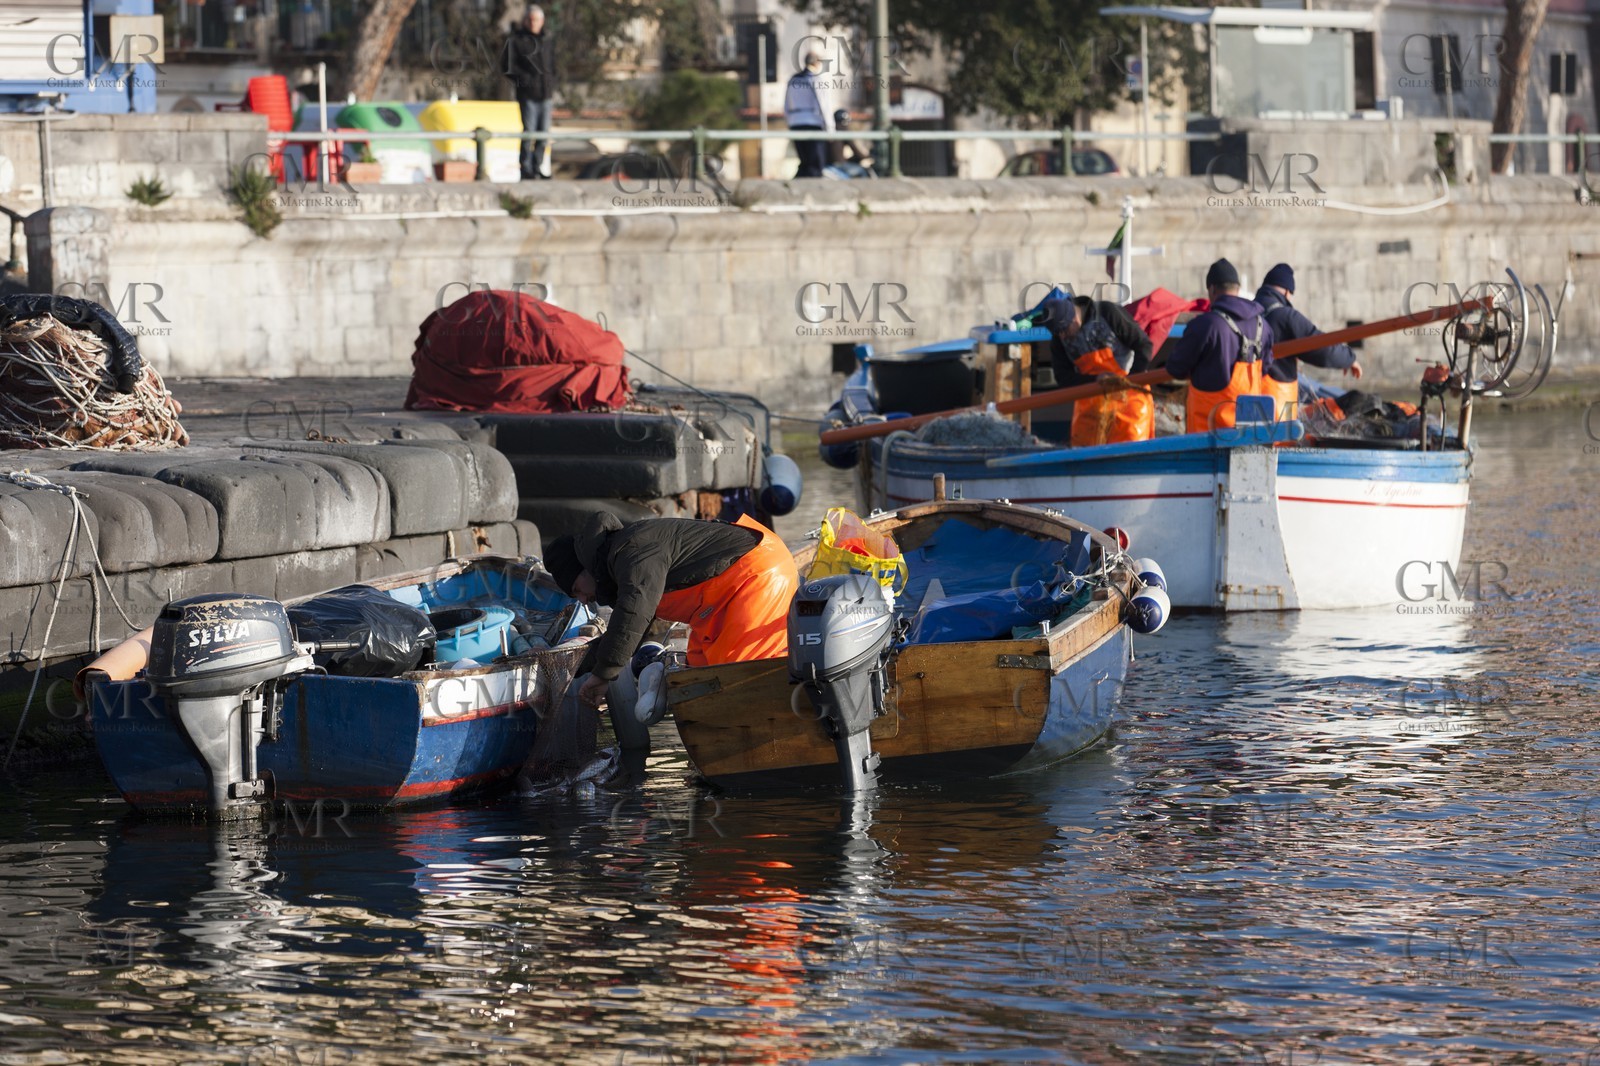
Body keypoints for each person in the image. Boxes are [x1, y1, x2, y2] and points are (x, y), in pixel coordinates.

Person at [543, 512, 799, 708]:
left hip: (757, 572)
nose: (584, 600)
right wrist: (568, 666)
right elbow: (629, 631)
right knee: (699, 675)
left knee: (734, 677)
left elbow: (633, 614)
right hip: (719, 600)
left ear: (585, 568)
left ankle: (768, 747)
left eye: (577, 589)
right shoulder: (621, 563)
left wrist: (603, 675)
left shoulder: (632, 549)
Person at [1166, 258, 1275, 433]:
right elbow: (1266, 367)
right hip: (1249, 432)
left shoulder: (1205, 325)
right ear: (1238, 289)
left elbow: (1175, 368)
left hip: (1207, 434)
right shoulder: (1264, 326)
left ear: (1212, 289)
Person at [1039, 290, 1155, 446]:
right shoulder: (1059, 339)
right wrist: (1095, 380)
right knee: (1083, 453)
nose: (1063, 337)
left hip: (1129, 401)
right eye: (1058, 333)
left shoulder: (1108, 313)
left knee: (1130, 450)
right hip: (1090, 407)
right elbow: (1063, 378)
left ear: (1074, 317)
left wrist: (1131, 382)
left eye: (1065, 330)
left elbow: (1144, 345)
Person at [1253, 262, 1362, 419]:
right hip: (1278, 410)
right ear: (1287, 293)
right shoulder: (1285, 316)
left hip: (1246, 408)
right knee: (1282, 441)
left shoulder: (1247, 314)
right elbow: (1321, 346)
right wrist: (1349, 359)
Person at [502, 5, 556, 180]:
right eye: (531, 19)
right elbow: (507, 67)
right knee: (529, 133)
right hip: (528, 95)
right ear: (526, 21)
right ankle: (526, 169)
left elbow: (553, 64)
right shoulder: (516, 40)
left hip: (546, 94)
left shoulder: (547, 39)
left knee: (543, 135)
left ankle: (538, 167)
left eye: (537, 19)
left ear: (542, 21)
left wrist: (552, 82)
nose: (534, 23)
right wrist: (524, 81)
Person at [783, 52, 831, 178]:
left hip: (795, 123)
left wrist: (789, 122)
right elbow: (824, 105)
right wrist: (830, 127)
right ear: (816, 63)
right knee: (815, 163)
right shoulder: (815, 79)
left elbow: (786, 104)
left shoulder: (793, 79)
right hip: (813, 123)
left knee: (804, 161)